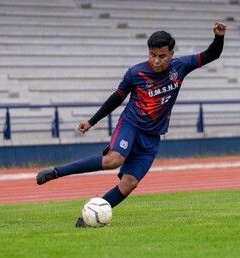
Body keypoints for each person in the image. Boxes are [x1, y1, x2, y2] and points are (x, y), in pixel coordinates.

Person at [36, 21, 227, 227]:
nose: (156, 60)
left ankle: (90, 217)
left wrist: (219, 37)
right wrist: (92, 121)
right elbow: (117, 98)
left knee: (129, 184)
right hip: (131, 125)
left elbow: (212, 54)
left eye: (162, 56)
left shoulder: (180, 67)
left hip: (152, 136)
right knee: (113, 160)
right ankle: (56, 172)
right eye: (152, 55)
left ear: (171, 54)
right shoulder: (135, 73)